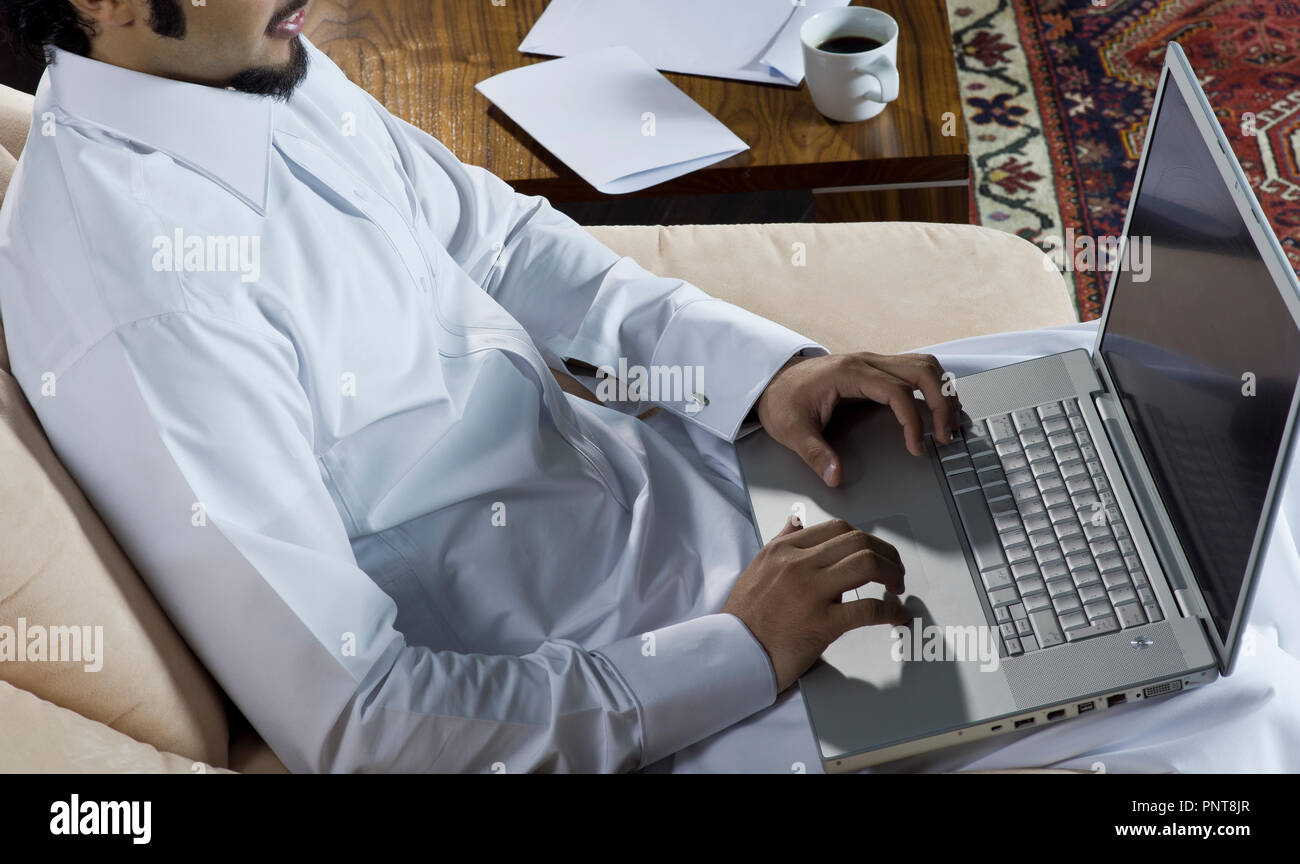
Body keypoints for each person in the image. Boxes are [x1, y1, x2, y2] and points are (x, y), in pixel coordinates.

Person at [2, 1, 1296, 774]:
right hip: (671, 670)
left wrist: (769, 373)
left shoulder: (241, 59)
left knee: (1151, 406)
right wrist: (743, 649)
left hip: (700, 486)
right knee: (1236, 693)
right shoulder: (148, 301)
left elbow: (504, 245)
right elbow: (366, 723)